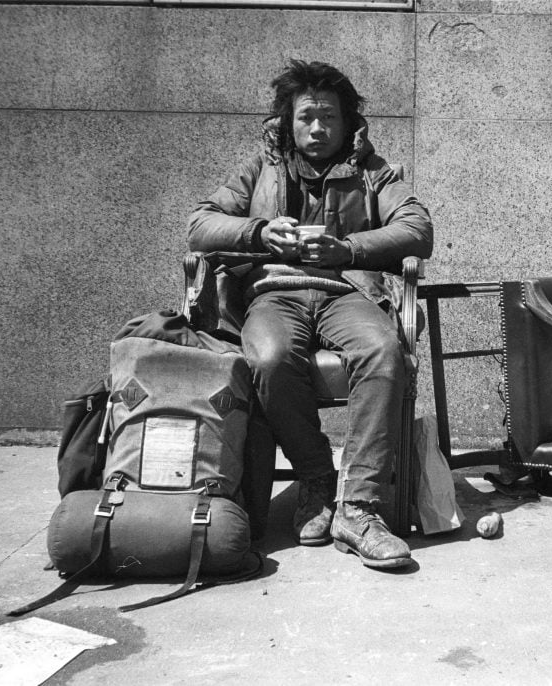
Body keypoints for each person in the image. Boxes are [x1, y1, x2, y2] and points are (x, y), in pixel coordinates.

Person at [187, 60, 433, 569]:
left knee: (383, 350)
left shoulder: (373, 171)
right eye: (306, 118)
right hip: (274, 294)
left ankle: (358, 508)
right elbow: (199, 225)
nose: (317, 128)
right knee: (271, 358)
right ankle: (317, 476)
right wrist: (258, 234)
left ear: (347, 123)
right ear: (288, 121)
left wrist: (348, 249)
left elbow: (416, 228)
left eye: (328, 118)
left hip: (347, 292)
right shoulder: (259, 168)